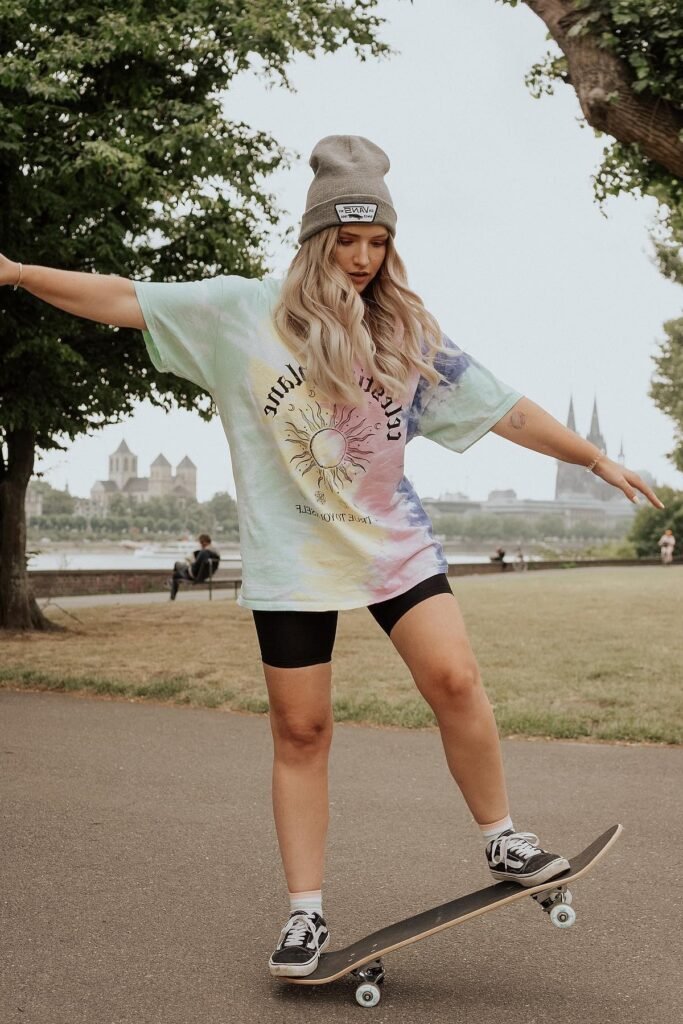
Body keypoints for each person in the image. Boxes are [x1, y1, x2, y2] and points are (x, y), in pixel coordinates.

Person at [1, 134, 664, 980]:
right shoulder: (242, 311)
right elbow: (125, 297)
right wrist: (18, 272)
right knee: (301, 730)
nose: (360, 258)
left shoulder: (403, 332)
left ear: (390, 247)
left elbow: (504, 409)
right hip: (290, 557)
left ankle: (502, 840)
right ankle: (305, 915)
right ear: (316, 240)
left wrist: (593, 459)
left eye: (376, 241)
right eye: (345, 241)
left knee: (455, 680)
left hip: (393, 545)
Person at [169, 533, 221, 600]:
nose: (200, 545)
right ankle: (171, 582)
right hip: (205, 574)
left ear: (204, 543)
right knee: (177, 564)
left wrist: (191, 562)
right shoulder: (215, 552)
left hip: (192, 574)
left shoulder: (204, 552)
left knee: (175, 574)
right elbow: (202, 564)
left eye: (200, 543)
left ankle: (172, 596)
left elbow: (195, 566)